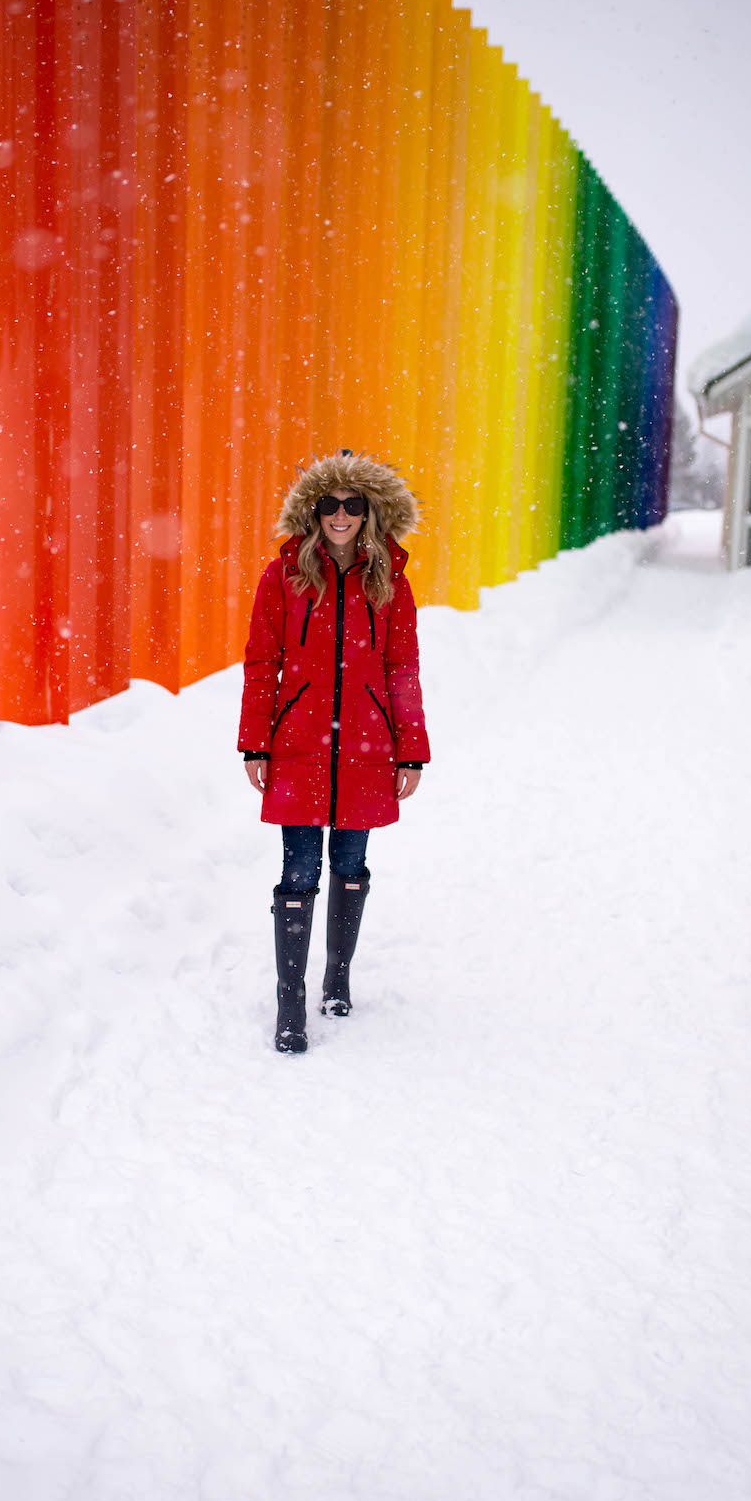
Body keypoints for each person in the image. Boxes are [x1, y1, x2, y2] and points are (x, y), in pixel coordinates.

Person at [238, 450, 430, 1052]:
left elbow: (402, 668)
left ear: (371, 512)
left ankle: (337, 979)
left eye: (353, 505)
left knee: (349, 867)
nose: (340, 516)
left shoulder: (390, 582)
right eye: (329, 504)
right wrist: (253, 743)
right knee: (299, 871)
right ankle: (290, 1007)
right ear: (313, 512)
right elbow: (261, 663)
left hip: (368, 748)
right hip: (297, 745)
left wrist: (411, 751)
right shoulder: (285, 577)